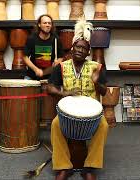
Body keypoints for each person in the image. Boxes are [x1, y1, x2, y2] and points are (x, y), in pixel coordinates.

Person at [47, 19, 109, 180]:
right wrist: (64, 94)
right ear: (72, 48)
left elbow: (105, 92)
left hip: (92, 113)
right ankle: (63, 167)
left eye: (84, 48)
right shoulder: (61, 67)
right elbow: (49, 88)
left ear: (88, 52)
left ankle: (89, 167)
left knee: (103, 125)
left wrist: (97, 83)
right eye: (78, 47)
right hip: (68, 112)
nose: (80, 50)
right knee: (55, 125)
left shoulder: (97, 67)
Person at [24, 14, 64, 80]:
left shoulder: (56, 39)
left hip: (50, 76)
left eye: (49, 23)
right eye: (45, 23)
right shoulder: (32, 38)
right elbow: (25, 57)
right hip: (32, 75)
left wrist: (57, 62)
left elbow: (61, 57)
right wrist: (36, 69)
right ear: (39, 25)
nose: (47, 25)